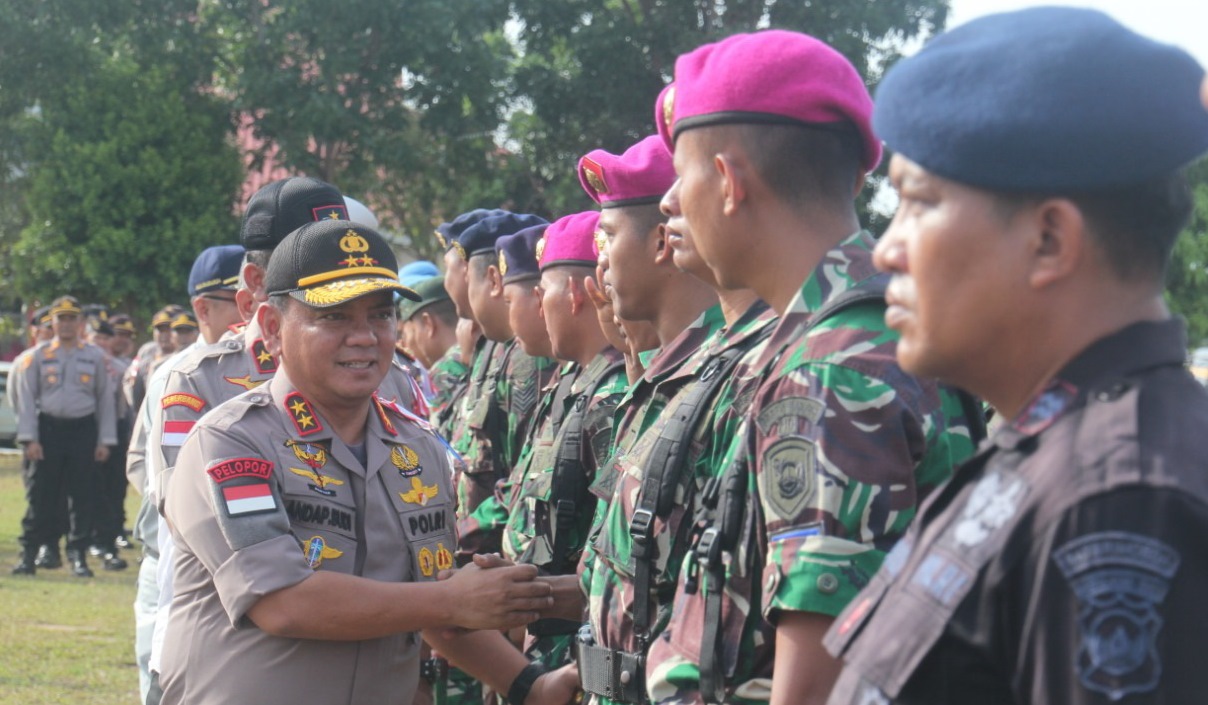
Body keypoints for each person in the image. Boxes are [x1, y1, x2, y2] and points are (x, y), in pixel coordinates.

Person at [822, 9, 1208, 704]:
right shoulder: (1049, 454)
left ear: (1050, 241)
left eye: (918, 202)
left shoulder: (1116, 502)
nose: (885, 250)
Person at [650, 30, 979, 704]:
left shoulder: (825, 371)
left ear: (728, 182)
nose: (669, 201)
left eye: (682, 176)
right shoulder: (890, 324)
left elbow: (814, 686)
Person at [158, 219, 552, 705]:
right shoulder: (230, 442)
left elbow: (431, 605)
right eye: (335, 317)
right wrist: (452, 599)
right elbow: (282, 602)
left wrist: (531, 684)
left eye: (381, 316)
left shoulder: (419, 449)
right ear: (273, 328)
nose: (365, 337)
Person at [575, 131, 779, 705]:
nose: (600, 262)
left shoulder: (743, 375)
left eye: (608, 237)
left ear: (662, 242)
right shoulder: (668, 381)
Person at [141, 177, 350, 705]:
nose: (337, 281)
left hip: (361, 661)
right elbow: (197, 523)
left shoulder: (387, 376)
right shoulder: (198, 382)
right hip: (231, 657)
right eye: (310, 262)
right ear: (256, 283)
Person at [12, 295, 117, 577]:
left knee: (81, 496)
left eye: (72, 318)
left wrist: (104, 440)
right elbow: (26, 399)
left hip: (83, 430)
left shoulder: (94, 356)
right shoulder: (38, 356)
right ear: (53, 322)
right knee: (40, 495)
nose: (67, 324)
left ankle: (78, 555)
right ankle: (29, 554)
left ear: (80, 323)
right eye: (62, 318)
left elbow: (105, 400)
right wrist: (29, 439)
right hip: (48, 431)